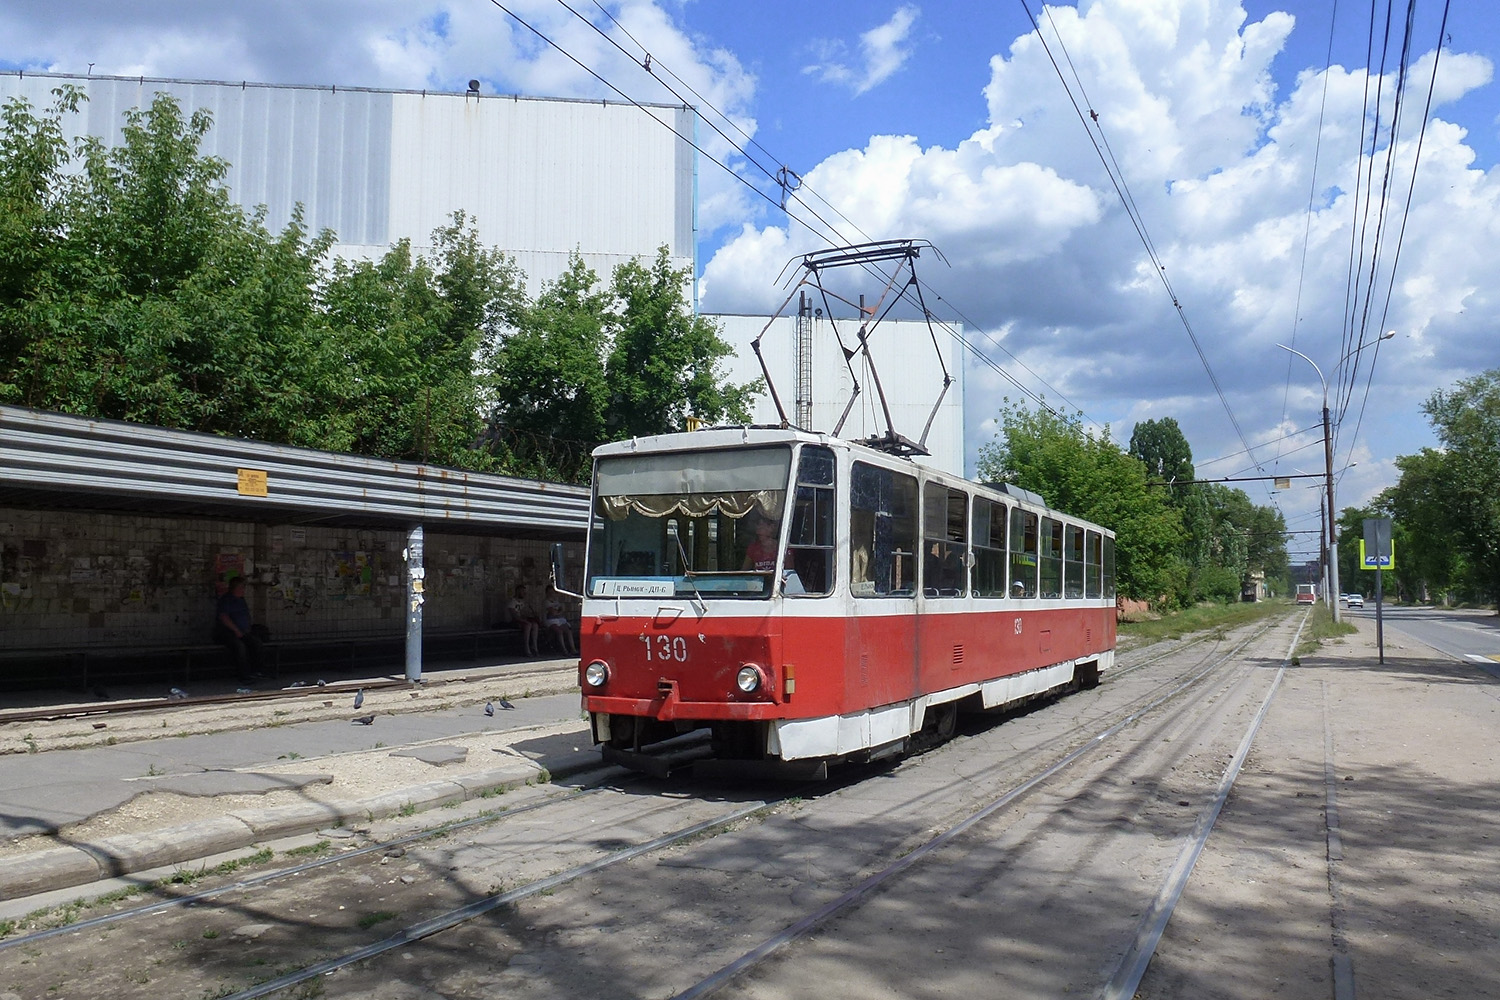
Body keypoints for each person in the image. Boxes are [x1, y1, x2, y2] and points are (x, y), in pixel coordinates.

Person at [214, 577, 264, 682]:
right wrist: (236, 630)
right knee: (240, 647)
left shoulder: (241, 600)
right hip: (228, 632)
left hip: (243, 631)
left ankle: (256, 671)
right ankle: (244, 676)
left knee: (256, 643)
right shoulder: (226, 600)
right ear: (235, 588)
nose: (244, 590)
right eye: (242, 587)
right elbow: (224, 617)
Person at [543, 590, 578, 657]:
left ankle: (573, 649)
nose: (552, 594)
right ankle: (564, 650)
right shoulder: (546, 602)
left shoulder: (556, 602)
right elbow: (553, 612)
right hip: (550, 621)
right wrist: (558, 612)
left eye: (553, 593)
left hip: (560, 620)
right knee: (559, 631)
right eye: (550, 593)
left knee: (568, 631)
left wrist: (557, 612)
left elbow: (561, 610)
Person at [511, 584, 541, 657]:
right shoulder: (512, 602)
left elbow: (526, 613)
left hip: (524, 620)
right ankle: (526, 647)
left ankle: (534, 646)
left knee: (535, 625)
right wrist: (524, 620)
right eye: (522, 592)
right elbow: (514, 616)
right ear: (518, 592)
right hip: (515, 622)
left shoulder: (524, 602)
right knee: (528, 625)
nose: (524, 593)